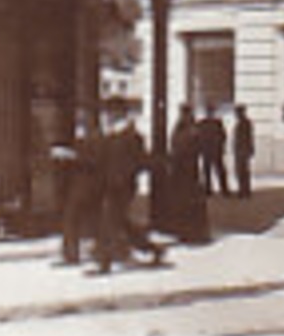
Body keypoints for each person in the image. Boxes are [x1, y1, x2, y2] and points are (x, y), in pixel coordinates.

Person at [94, 103, 164, 275]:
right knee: (121, 222)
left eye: (110, 112)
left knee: (109, 221)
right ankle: (152, 249)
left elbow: (140, 160)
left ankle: (104, 262)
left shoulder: (132, 136)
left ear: (119, 114)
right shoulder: (111, 135)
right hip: (110, 184)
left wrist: (127, 174)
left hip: (124, 185)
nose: (107, 116)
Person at [54, 110, 102, 267]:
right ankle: (72, 254)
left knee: (74, 218)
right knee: (75, 218)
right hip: (78, 184)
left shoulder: (95, 138)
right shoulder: (81, 137)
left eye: (82, 121)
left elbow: (94, 160)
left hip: (88, 185)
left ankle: (73, 254)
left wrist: (71, 156)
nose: (79, 124)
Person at [169, 104, 211, 243]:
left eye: (184, 113)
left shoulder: (188, 130)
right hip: (184, 171)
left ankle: (193, 232)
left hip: (187, 170)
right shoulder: (185, 129)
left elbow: (184, 147)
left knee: (189, 203)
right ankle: (189, 232)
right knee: (186, 203)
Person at [196, 103, 229, 197]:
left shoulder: (217, 123)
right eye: (208, 111)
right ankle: (208, 189)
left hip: (215, 150)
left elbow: (223, 136)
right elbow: (198, 137)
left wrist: (220, 145)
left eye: (211, 111)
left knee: (219, 169)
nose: (210, 113)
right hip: (207, 150)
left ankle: (223, 189)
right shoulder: (202, 123)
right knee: (207, 170)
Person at [232, 105, 255, 200]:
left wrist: (249, 149)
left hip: (242, 149)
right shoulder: (243, 123)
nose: (236, 115)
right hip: (241, 149)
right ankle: (244, 190)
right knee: (241, 170)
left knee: (242, 171)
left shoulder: (245, 123)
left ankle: (244, 190)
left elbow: (248, 137)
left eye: (237, 112)